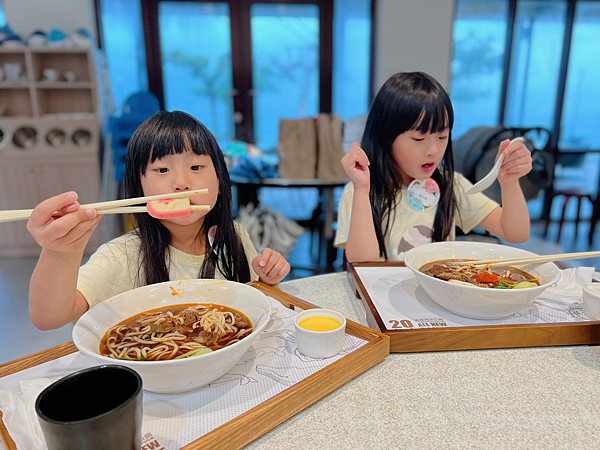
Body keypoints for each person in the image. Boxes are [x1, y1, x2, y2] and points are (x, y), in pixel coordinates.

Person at [27, 111, 290, 330]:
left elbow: (253, 297)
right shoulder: (121, 256)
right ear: (139, 188)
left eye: (196, 168)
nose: (181, 183)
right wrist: (59, 252)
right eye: (162, 170)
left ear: (220, 182)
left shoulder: (233, 235)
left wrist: (268, 279)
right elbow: (48, 318)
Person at [336, 72, 532, 262]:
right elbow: (363, 262)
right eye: (419, 138)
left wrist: (509, 182)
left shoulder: (452, 185)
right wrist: (362, 190)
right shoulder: (359, 191)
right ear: (385, 138)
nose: (433, 151)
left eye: (442, 137)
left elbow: (515, 233)